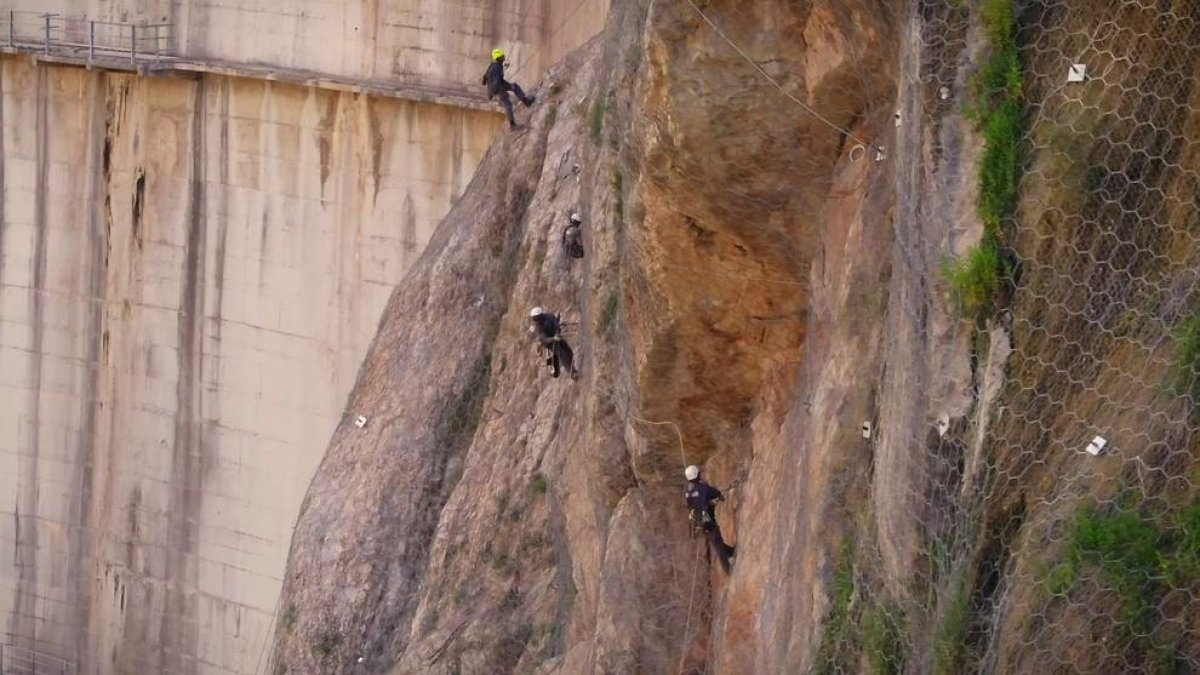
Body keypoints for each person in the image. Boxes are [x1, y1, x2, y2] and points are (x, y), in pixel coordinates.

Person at [684, 465, 736, 572]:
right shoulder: (703, 487)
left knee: (714, 539)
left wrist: (706, 503)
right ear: (697, 475)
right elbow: (716, 493)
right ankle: (727, 568)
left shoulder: (687, 491)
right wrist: (713, 500)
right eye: (698, 473)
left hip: (698, 520)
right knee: (717, 542)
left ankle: (730, 551)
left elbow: (690, 504)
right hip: (708, 519)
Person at [482, 48, 535, 130]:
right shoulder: (497, 68)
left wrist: (490, 93)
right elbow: (497, 82)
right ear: (498, 58)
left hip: (494, 87)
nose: (504, 58)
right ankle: (512, 125)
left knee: (515, 86)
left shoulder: (493, 65)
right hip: (497, 88)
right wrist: (504, 91)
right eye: (502, 57)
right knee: (508, 104)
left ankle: (526, 101)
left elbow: (485, 79)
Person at [530, 307, 577, 379]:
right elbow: (544, 339)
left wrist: (557, 333)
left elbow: (556, 324)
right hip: (550, 343)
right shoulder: (538, 328)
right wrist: (553, 339)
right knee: (561, 353)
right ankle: (572, 372)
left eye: (535, 318)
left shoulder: (550, 316)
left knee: (568, 350)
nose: (535, 320)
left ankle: (572, 366)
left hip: (557, 335)